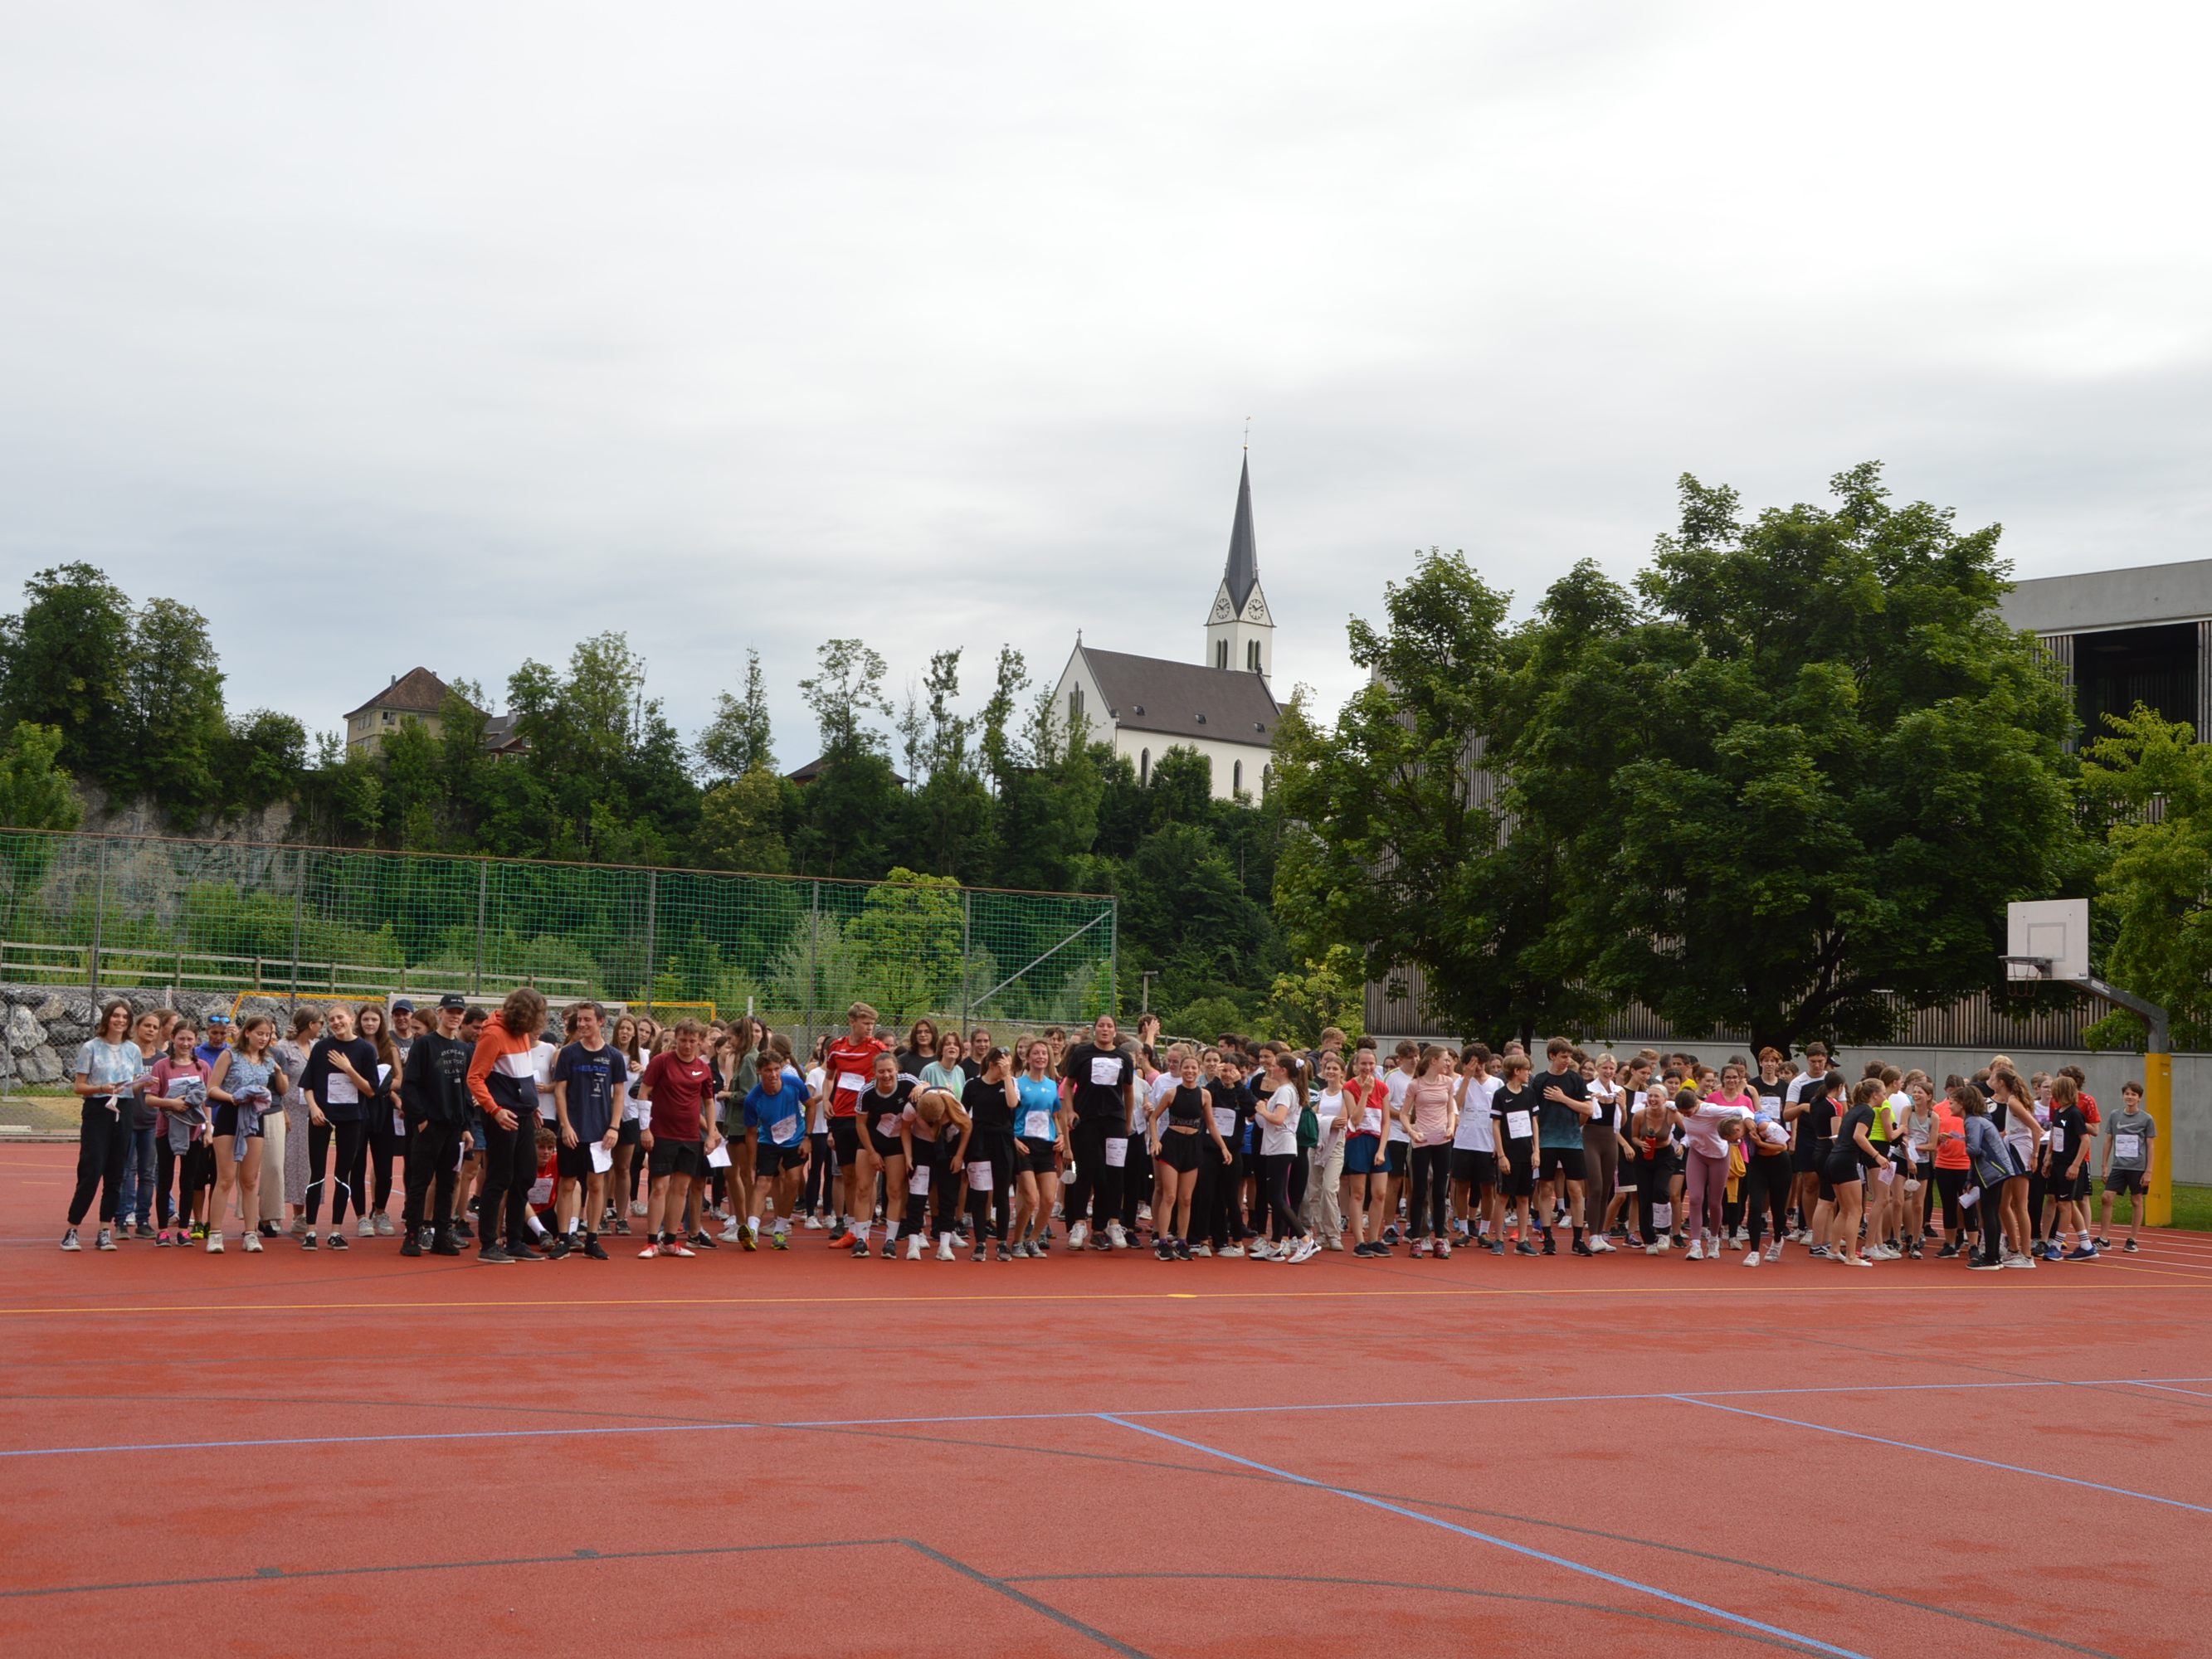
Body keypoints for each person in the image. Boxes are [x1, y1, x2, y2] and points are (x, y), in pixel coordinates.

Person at [465, 987, 553, 1265]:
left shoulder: (522, 1034)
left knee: (525, 1176)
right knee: (500, 1178)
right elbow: (475, 1078)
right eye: (537, 1017)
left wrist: (533, 1104)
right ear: (525, 1015)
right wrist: (495, 1110)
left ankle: (515, 1240)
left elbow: (522, 1076)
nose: (539, 1024)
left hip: (525, 1115)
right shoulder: (493, 1034)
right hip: (503, 1117)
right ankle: (489, 1243)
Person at [634, 1017, 721, 1260]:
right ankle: (652, 1241)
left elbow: (708, 1102)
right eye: (683, 1040)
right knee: (660, 1187)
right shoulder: (661, 1062)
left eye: (692, 1041)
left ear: (699, 1042)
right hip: (662, 1133)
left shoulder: (704, 1069)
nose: (687, 1045)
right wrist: (645, 1129)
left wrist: (711, 1134)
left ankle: (671, 1241)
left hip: (690, 1136)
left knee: (681, 1188)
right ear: (676, 1040)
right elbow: (643, 1092)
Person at [550, 1000, 627, 1260]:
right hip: (573, 1130)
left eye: (587, 1020)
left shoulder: (613, 1057)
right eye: (579, 1020)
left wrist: (614, 1127)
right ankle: (563, 1238)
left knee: (596, 1184)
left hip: (600, 1132)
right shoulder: (569, 1053)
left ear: (601, 1022)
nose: (582, 1024)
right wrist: (566, 1125)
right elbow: (560, 1091)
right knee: (567, 1183)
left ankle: (592, 1238)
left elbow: (619, 1093)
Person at [400, 993, 474, 1257]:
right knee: (420, 1182)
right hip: (429, 1126)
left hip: (454, 1128)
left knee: (448, 1183)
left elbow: (466, 1091)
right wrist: (420, 1119)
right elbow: (410, 1085)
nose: (455, 1016)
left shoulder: (465, 1049)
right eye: (451, 1011)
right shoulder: (425, 1045)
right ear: (441, 1012)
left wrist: (466, 1126)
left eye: (460, 1012)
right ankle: (412, 1235)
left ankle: (442, 1235)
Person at [300, 1004, 378, 1253]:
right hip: (322, 1118)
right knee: (317, 1173)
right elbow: (308, 1084)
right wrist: (313, 1108)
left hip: (352, 1118)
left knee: (342, 1175)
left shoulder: (365, 1050)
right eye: (331, 1019)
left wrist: (348, 1069)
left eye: (340, 1018)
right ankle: (311, 1230)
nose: (336, 1022)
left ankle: (336, 1231)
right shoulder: (321, 1047)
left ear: (351, 1019)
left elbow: (370, 1089)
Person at [204, 1014, 283, 1254]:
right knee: (226, 1178)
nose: (264, 1038)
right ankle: (215, 1233)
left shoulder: (268, 1061)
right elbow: (212, 1088)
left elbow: (282, 1090)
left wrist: (278, 1072)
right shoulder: (230, 1055)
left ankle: (250, 1233)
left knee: (249, 1180)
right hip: (230, 1114)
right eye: (259, 1033)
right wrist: (234, 1097)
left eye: (267, 1034)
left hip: (254, 1117)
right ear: (247, 1032)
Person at [1060, 1014, 1138, 1253]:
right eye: (1101, 1026)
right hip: (1087, 1120)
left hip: (1114, 1121)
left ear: (1115, 1031)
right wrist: (1070, 1111)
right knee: (1086, 1171)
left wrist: (1127, 1120)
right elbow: (1068, 1085)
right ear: (1095, 1030)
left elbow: (1128, 1090)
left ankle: (1113, 1222)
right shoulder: (1082, 1054)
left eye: (1109, 1026)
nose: (1105, 1029)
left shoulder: (1123, 1057)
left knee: (1114, 1173)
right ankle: (1079, 1224)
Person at [823, 1004, 889, 1248]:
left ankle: (866, 1229)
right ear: (852, 1021)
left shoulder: (877, 1048)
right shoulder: (836, 1048)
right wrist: (826, 1102)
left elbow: (890, 1072)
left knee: (867, 1177)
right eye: (865, 1023)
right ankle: (852, 1229)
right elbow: (829, 1077)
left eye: (872, 1024)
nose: (870, 1028)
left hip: (866, 1117)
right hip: (841, 1116)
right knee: (848, 1175)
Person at [144, 1019, 214, 1249]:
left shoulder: (202, 1067)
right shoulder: (162, 1067)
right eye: (181, 1038)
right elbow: (150, 1098)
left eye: (190, 1039)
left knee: (189, 1180)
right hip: (167, 1130)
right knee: (164, 1179)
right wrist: (171, 1103)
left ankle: (184, 1227)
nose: (185, 1043)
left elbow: (206, 1101)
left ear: (196, 1041)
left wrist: (208, 1128)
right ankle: (163, 1229)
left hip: (193, 1132)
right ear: (173, 1038)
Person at [743, 1036, 811, 1251]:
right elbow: (751, 1133)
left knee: (793, 1180)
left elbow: (811, 1106)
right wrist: (752, 1163)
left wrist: (808, 1137)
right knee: (763, 1182)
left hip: (796, 1140)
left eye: (776, 1069)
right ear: (759, 1072)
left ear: (781, 1069)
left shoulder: (794, 1084)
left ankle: (780, 1230)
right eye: (767, 1071)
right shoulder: (753, 1099)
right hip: (768, 1141)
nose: (772, 1074)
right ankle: (752, 1229)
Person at [848, 1048, 916, 1259]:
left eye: (890, 1071)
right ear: (874, 1072)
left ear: (897, 1070)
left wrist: (922, 1087)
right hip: (871, 1141)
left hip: (897, 1143)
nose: (886, 1076)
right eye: (881, 1072)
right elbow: (860, 1124)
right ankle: (861, 1239)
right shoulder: (867, 1092)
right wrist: (871, 1153)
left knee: (894, 1190)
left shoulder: (907, 1082)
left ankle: (890, 1241)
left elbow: (926, 1087)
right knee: (863, 1188)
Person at [1533, 1037, 1595, 1256]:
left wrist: (1563, 1098)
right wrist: (1535, 1145)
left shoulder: (1576, 1080)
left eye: (1569, 1056)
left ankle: (1578, 1240)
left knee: (1576, 1190)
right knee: (1546, 1189)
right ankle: (1548, 1238)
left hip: (1572, 1141)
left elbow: (1588, 1110)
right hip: (1547, 1141)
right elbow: (1534, 1116)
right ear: (1552, 1056)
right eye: (1563, 1056)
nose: (1567, 1060)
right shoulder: (1539, 1081)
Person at [1250, 1051, 1313, 1262]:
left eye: (1275, 1065)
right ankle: (1276, 1244)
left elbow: (1278, 1119)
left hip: (1281, 1147)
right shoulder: (1286, 1090)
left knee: (1276, 1197)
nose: (1271, 1068)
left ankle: (1305, 1239)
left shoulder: (1286, 1091)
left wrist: (1262, 1109)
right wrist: (1261, 1113)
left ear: (1283, 1070)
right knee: (1274, 1196)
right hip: (1276, 1146)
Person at [1397, 1045, 1458, 1258]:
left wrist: (1451, 1127)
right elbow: (1404, 1114)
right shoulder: (1416, 1085)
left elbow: (1451, 1109)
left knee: (1440, 1192)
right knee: (1420, 1190)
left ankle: (1440, 1239)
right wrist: (1413, 1132)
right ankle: (1416, 1239)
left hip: (1442, 1141)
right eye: (1445, 1060)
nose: (1448, 1063)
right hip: (1421, 1141)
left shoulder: (1448, 1083)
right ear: (1433, 1061)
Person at [352, 1002, 404, 1238]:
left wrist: (381, 1086)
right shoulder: (352, 1046)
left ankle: (380, 1212)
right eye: (366, 1020)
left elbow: (399, 1080)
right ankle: (361, 1217)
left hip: (383, 1109)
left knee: (384, 1167)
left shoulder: (389, 1047)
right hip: (358, 1108)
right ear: (360, 1022)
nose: (370, 1023)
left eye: (374, 1020)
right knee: (357, 1165)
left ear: (381, 1022)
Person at [1010, 1037, 1065, 1258]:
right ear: (1028, 1057)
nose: (1040, 1057)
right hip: (1024, 1145)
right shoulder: (1018, 1084)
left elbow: (1054, 1115)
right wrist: (1014, 1140)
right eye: (1036, 1053)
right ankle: (1017, 1241)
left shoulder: (1052, 1085)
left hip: (1046, 1145)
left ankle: (1033, 1240)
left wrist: (1060, 1135)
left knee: (1049, 1199)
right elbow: (1008, 1117)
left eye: (1044, 1053)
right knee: (1031, 1198)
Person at [1822, 1079, 1883, 1267]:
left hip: (1834, 1159)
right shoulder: (1867, 1111)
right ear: (1874, 1094)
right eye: (1882, 1093)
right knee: (1856, 1210)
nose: (1884, 1097)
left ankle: (1834, 1249)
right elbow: (1859, 1136)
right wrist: (1877, 1156)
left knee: (1846, 1208)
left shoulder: (1853, 1110)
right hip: (1846, 1161)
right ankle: (1850, 1255)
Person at [1338, 1045, 1392, 1257]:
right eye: (1363, 1064)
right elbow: (1356, 1119)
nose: (1367, 1068)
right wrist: (1365, 1093)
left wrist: (1381, 1150)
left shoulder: (1383, 1088)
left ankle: (1374, 1239)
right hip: (1358, 1141)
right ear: (1355, 1065)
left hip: (1377, 1143)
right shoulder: (1349, 1087)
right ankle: (1360, 1241)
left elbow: (1386, 1122)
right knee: (1358, 1193)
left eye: (1371, 1064)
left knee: (1380, 1193)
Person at [272, 1009, 320, 1238]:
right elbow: (273, 1082)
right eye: (320, 1023)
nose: (322, 1027)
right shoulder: (283, 1048)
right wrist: (281, 1110)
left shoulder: (318, 1047)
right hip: (290, 1111)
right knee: (286, 1163)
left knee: (309, 1163)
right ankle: (276, 1212)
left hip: (313, 1111)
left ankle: (304, 1214)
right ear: (311, 1024)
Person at [2041, 1073, 2097, 1261]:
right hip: (2057, 1163)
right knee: (2066, 1204)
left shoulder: (2074, 1114)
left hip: (2068, 1165)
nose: (2050, 1092)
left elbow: (2085, 1140)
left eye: (2053, 1088)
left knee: (2064, 1206)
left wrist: (2075, 1165)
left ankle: (2056, 1245)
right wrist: (2048, 1157)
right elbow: (2054, 1136)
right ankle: (2086, 1245)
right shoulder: (2059, 1111)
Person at [1493, 1054, 1541, 1257]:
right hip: (1509, 1154)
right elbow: (1495, 1125)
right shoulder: (1501, 1094)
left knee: (1524, 1198)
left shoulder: (1530, 1094)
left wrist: (1536, 1150)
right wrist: (1502, 1155)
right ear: (1516, 1071)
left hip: (1526, 1153)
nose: (1528, 1073)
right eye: (1526, 1070)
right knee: (1503, 1196)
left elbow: (1534, 1123)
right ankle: (1497, 1239)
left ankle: (1522, 1239)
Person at [2099, 1081, 2155, 1253]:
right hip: (2118, 1166)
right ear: (2123, 1096)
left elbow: (2151, 1145)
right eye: (2127, 1094)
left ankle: (2133, 1239)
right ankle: (2104, 1239)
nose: (2129, 1097)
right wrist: (2105, 1166)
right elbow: (2108, 1141)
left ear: (2139, 1098)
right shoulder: (2115, 1115)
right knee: (2106, 1197)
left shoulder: (2146, 1119)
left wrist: (2149, 1170)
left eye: (2133, 1095)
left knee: (2136, 1200)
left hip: (2138, 1167)